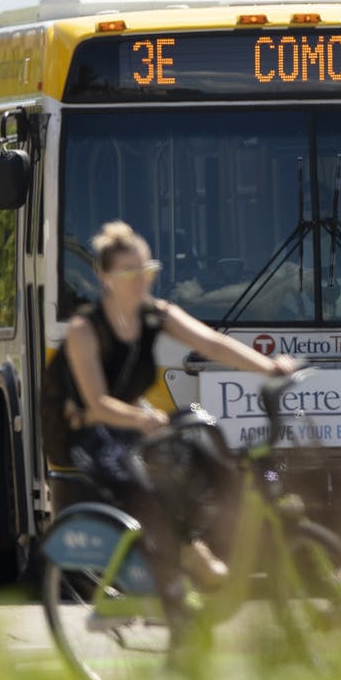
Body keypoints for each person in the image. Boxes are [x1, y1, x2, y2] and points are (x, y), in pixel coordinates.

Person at [62, 221, 294, 648]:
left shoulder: (157, 314)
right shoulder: (84, 330)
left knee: (209, 451)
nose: (141, 282)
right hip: (94, 432)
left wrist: (270, 368)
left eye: (147, 271)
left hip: (140, 419)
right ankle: (177, 594)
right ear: (105, 278)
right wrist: (139, 419)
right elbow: (96, 403)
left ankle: (199, 551)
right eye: (130, 274)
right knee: (146, 492)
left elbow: (212, 344)